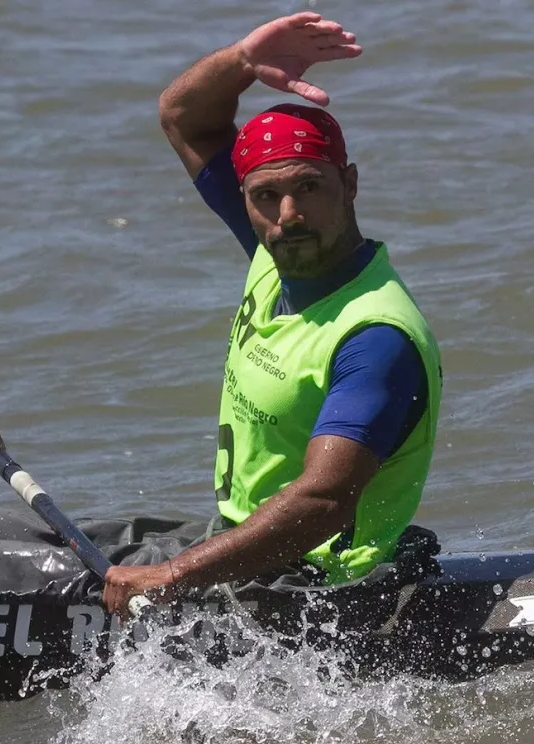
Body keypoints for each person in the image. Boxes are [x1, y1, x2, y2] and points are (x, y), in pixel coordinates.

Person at [103, 12, 442, 617]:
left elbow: (323, 504)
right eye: (265, 196)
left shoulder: (375, 337)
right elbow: (183, 116)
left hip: (324, 590)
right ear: (247, 202)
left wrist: (171, 577)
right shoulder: (275, 252)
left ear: (350, 184)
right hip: (243, 545)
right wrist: (240, 62)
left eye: (309, 188)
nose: (289, 214)